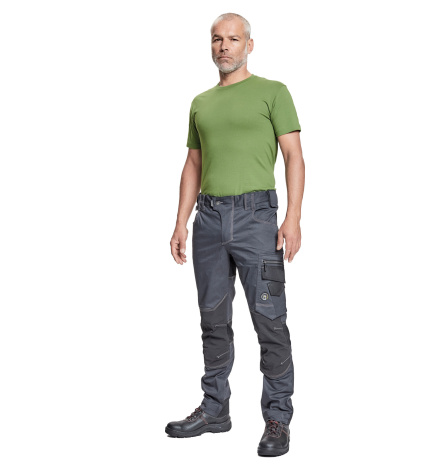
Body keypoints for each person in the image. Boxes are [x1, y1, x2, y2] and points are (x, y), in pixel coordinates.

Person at [166, 12, 305, 457]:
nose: (223, 46)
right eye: (216, 39)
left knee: (269, 320)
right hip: (208, 220)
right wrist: (181, 221)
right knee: (212, 319)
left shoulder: (273, 92)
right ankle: (214, 410)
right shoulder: (201, 102)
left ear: (249, 45)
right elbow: (193, 163)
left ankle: (278, 418)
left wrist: (293, 217)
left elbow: (294, 156)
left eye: (233, 39)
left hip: (257, 219)